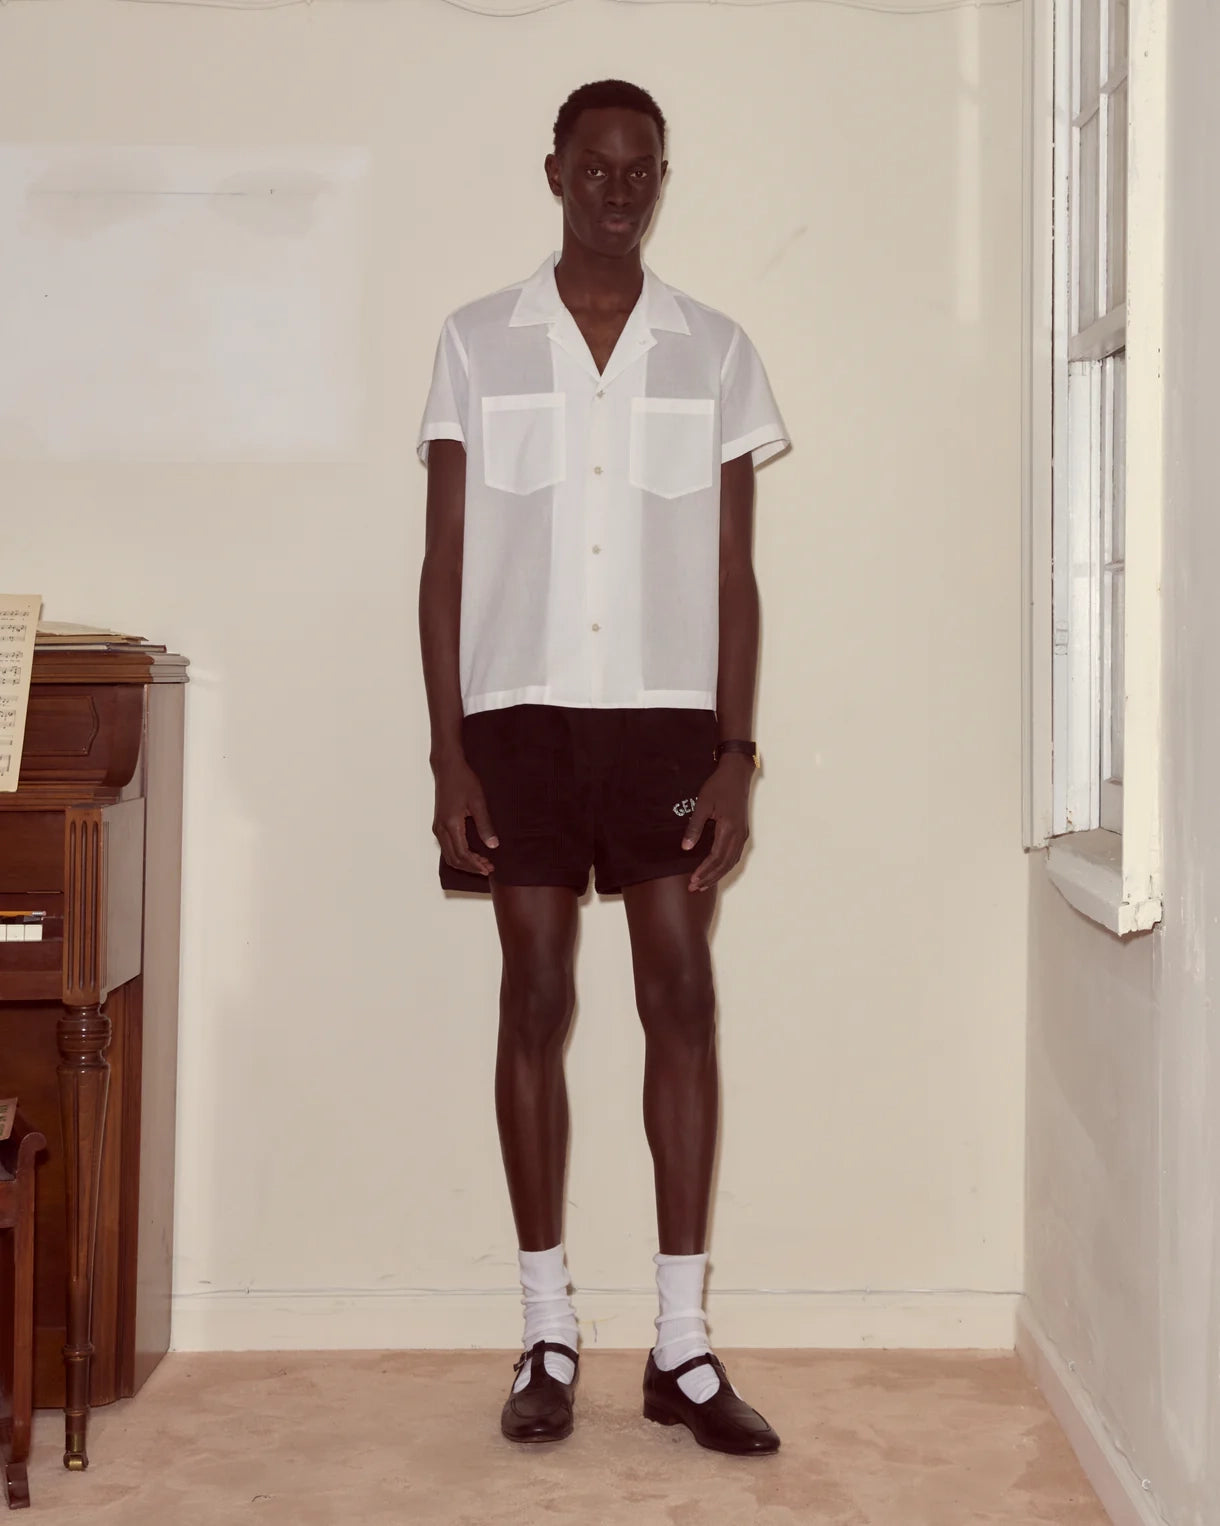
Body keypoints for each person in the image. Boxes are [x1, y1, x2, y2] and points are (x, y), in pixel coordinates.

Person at [417, 79, 788, 1455]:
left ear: (660, 179)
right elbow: (446, 560)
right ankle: (547, 1326)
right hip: (516, 718)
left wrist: (739, 749)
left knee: (681, 989)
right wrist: (448, 747)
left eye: (644, 169)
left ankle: (682, 1346)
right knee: (536, 994)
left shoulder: (716, 351)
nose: (619, 189)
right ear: (557, 168)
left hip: (665, 722)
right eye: (598, 164)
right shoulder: (474, 343)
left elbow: (737, 573)